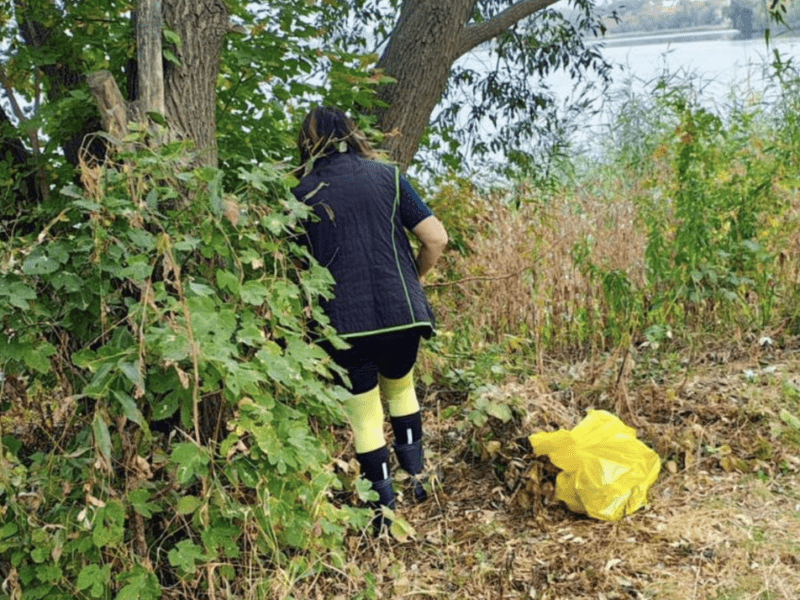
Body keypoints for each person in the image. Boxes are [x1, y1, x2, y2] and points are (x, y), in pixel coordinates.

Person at [291, 106, 448, 531]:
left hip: (343, 325)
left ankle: (382, 507)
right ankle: (417, 476)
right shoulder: (388, 177)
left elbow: (294, 267)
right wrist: (413, 279)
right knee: (400, 388)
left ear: (308, 142)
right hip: (403, 316)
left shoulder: (301, 194)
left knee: (363, 412)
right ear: (351, 133)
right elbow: (435, 238)